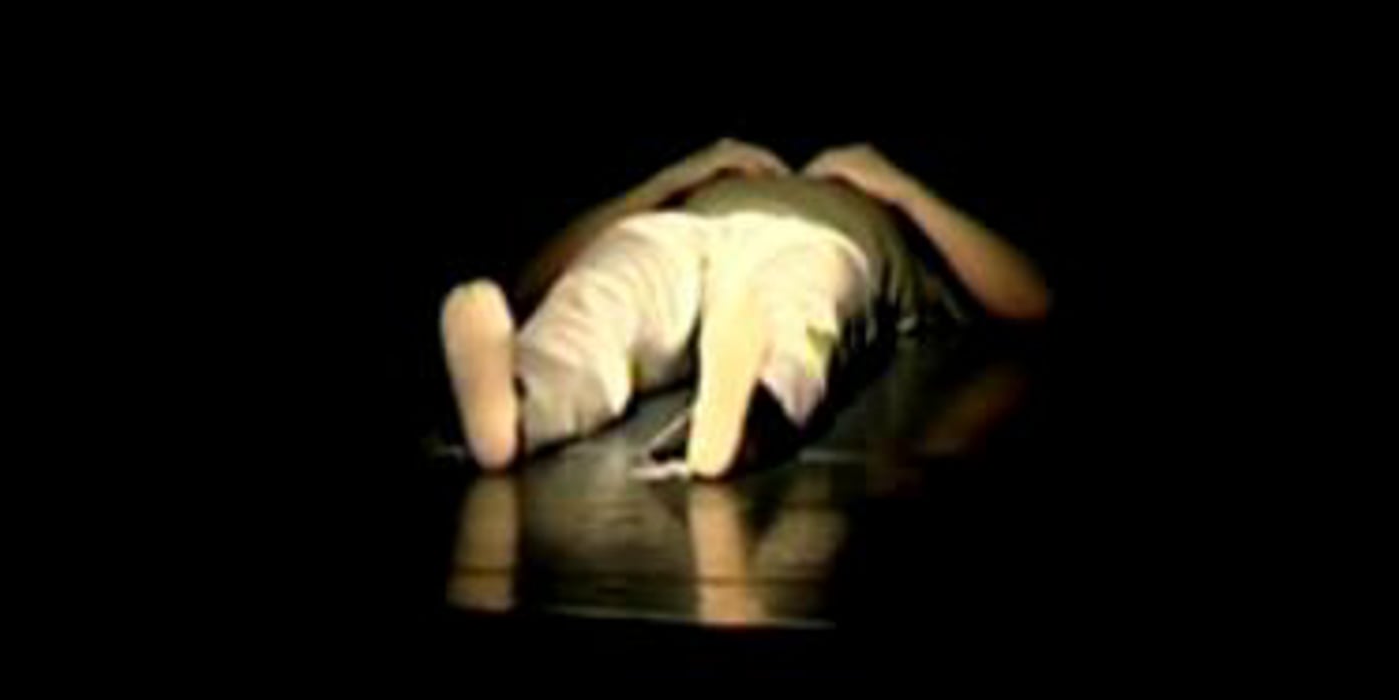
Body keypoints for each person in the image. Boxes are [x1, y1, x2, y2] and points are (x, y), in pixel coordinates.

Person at [440, 139, 1051, 480]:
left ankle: (741, 416)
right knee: (606, 292)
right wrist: (670, 180)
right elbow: (534, 282)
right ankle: (513, 410)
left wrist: (902, 190)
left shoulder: (888, 216)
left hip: (819, 241)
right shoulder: (699, 185)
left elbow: (1035, 300)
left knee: (794, 307)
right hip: (684, 230)